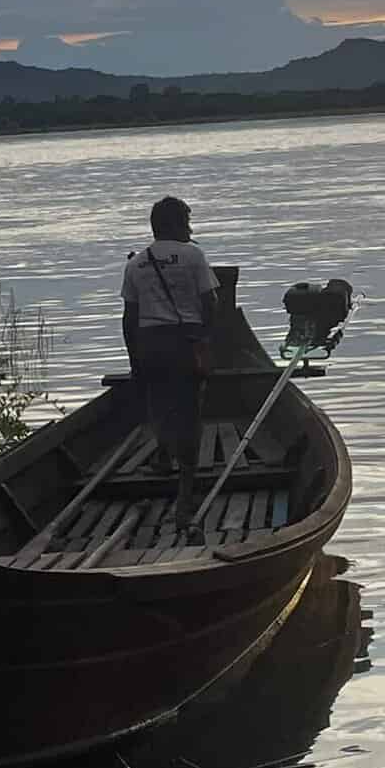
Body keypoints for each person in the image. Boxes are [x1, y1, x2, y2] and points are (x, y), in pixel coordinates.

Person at [121, 197, 219, 531]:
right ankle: (185, 498)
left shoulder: (136, 264)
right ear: (175, 224)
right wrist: (205, 340)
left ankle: (163, 455)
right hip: (183, 341)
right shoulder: (192, 255)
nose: (191, 229)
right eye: (187, 222)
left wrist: (135, 360)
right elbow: (211, 302)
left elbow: (129, 317)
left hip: (149, 344)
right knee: (190, 412)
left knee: (159, 405)